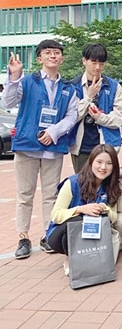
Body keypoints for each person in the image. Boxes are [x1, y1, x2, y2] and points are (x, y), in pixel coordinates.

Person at [3, 40, 79, 259]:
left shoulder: (68, 88)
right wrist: (14, 76)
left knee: (50, 195)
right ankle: (23, 237)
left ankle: (49, 234)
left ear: (62, 58)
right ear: (40, 58)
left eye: (57, 53)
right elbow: (8, 101)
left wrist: (54, 132)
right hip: (27, 145)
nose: (53, 56)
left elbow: (72, 116)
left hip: (53, 147)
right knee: (24, 195)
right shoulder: (27, 81)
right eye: (48, 53)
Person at [46, 144, 121, 275]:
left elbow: (114, 218)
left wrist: (106, 209)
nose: (103, 167)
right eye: (99, 162)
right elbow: (56, 215)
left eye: (109, 163)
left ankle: (85, 258)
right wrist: (80, 209)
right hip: (61, 234)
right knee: (80, 219)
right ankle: (69, 259)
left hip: (93, 234)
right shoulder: (73, 182)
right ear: (91, 162)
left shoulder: (111, 186)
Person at [69, 44, 122, 173]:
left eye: (101, 63)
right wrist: (89, 97)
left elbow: (120, 117)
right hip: (81, 146)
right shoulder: (73, 86)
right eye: (93, 62)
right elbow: (71, 117)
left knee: (106, 186)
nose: (97, 67)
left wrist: (100, 118)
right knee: (83, 185)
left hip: (107, 144)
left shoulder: (113, 86)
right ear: (84, 61)